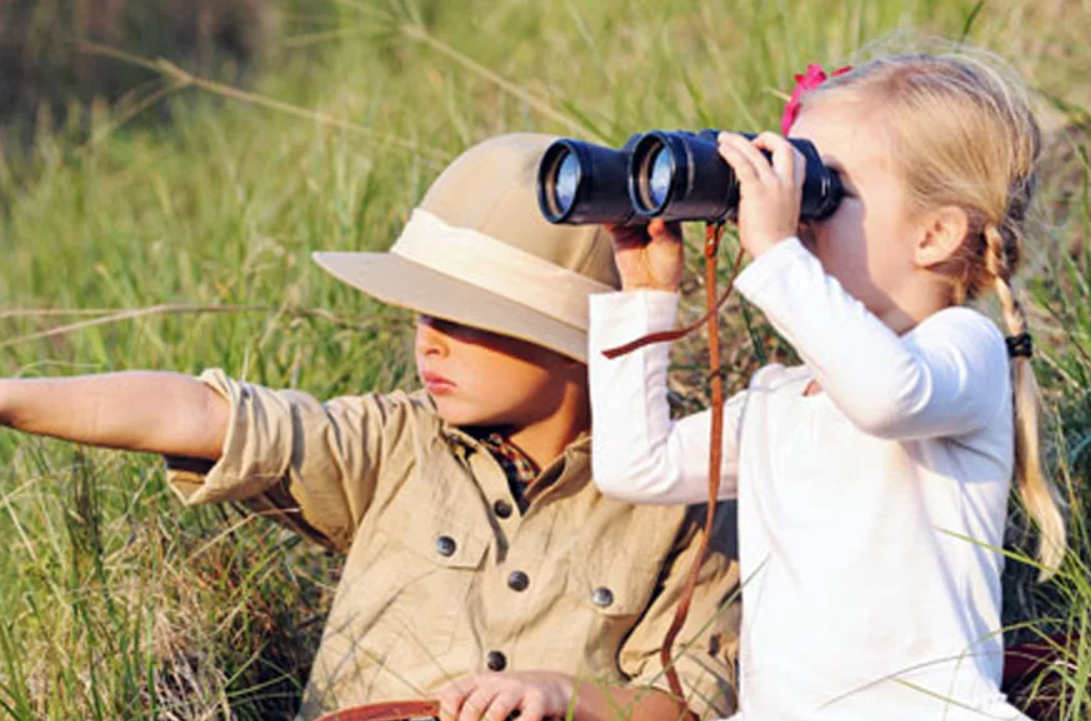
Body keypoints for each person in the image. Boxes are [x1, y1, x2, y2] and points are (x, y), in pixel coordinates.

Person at [0, 134, 740, 721]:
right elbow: (198, 414)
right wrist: (8, 396)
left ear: (578, 343)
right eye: (423, 314)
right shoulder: (390, 446)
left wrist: (565, 693)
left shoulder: (687, 498)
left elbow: (685, 701)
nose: (430, 342)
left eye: (467, 320)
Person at [589, 50, 1067, 720]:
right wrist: (641, 297)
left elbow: (886, 395)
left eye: (823, 186)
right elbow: (635, 465)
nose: (794, 211)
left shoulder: (964, 348)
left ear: (934, 233)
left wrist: (778, 254)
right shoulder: (780, 399)